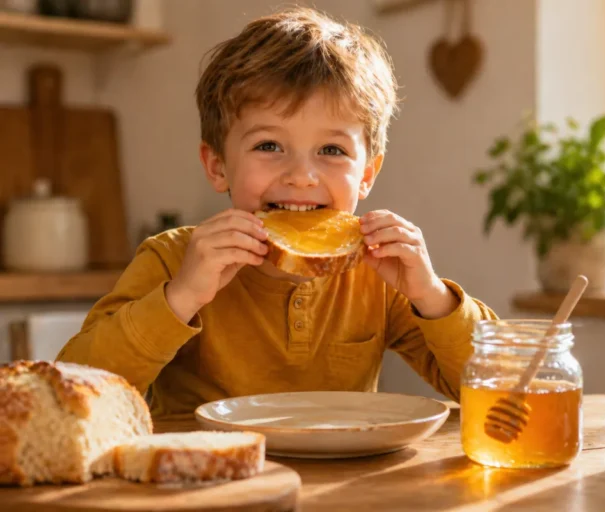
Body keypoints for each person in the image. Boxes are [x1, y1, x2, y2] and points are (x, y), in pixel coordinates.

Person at [57, 7, 497, 421]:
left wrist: (433, 297)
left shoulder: (379, 275)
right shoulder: (173, 258)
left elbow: (503, 390)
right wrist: (181, 297)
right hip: (203, 486)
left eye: (332, 150)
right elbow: (72, 392)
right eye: (269, 146)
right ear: (217, 166)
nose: (302, 176)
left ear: (366, 175)